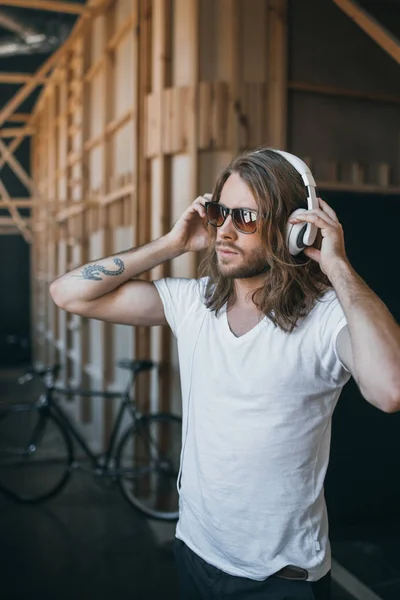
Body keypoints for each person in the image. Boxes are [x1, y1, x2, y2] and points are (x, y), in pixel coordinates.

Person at [50, 147, 400, 600]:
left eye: (247, 217)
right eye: (220, 213)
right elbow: (68, 294)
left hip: (280, 579)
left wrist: (336, 265)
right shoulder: (194, 303)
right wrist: (172, 244)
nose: (226, 231)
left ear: (294, 228)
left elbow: (390, 388)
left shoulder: (327, 318)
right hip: (196, 551)